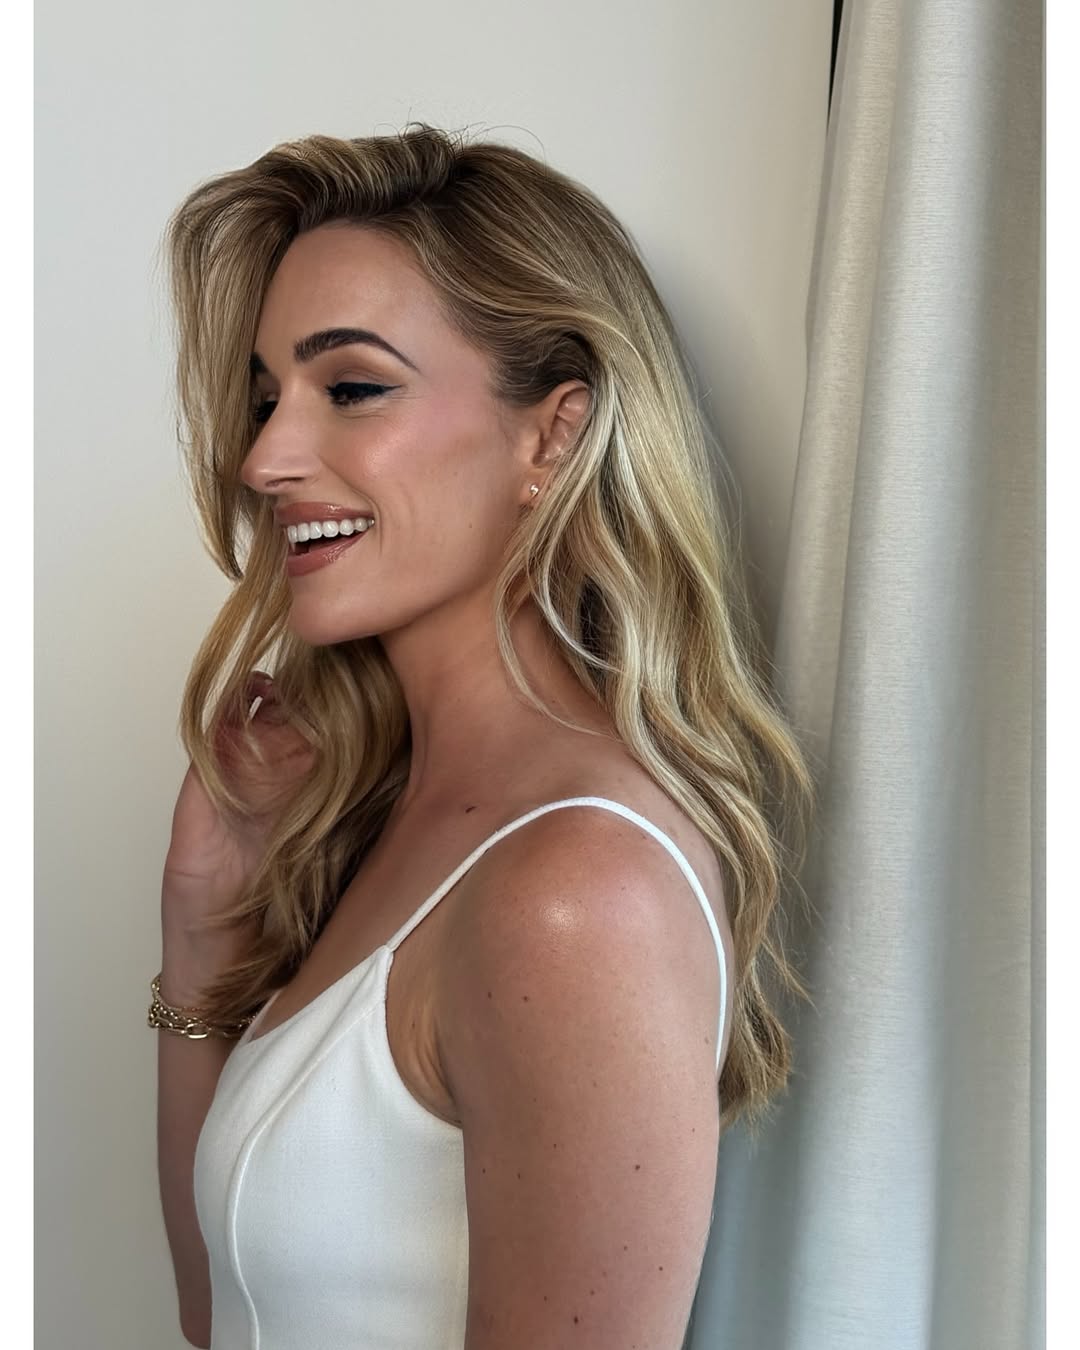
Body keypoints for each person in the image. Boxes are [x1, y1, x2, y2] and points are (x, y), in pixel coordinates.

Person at [149, 124, 815, 1350]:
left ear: (551, 435)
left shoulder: (576, 894)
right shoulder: (390, 817)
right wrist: (204, 929)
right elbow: (218, 1312)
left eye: (352, 388)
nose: (264, 458)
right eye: (266, 396)